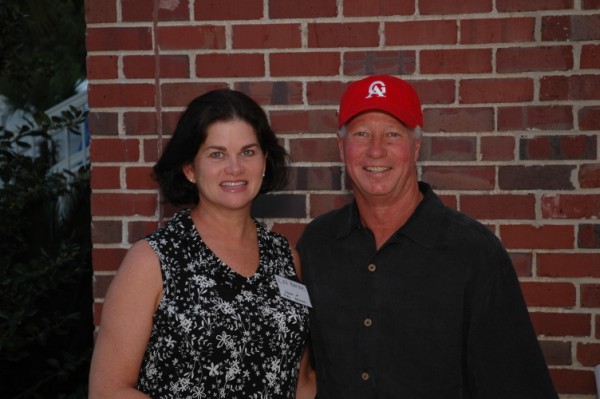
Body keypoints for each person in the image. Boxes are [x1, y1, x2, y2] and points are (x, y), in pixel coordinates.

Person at [296, 75, 558, 398]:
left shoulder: (473, 254)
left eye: (392, 134)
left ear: (417, 144)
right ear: (341, 146)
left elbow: (518, 387)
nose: (376, 150)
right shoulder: (316, 245)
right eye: (362, 134)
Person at [89, 89, 315, 398]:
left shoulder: (285, 256)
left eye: (248, 152)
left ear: (265, 161)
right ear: (190, 169)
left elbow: (298, 382)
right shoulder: (153, 260)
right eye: (217, 154)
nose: (235, 168)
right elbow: (107, 391)